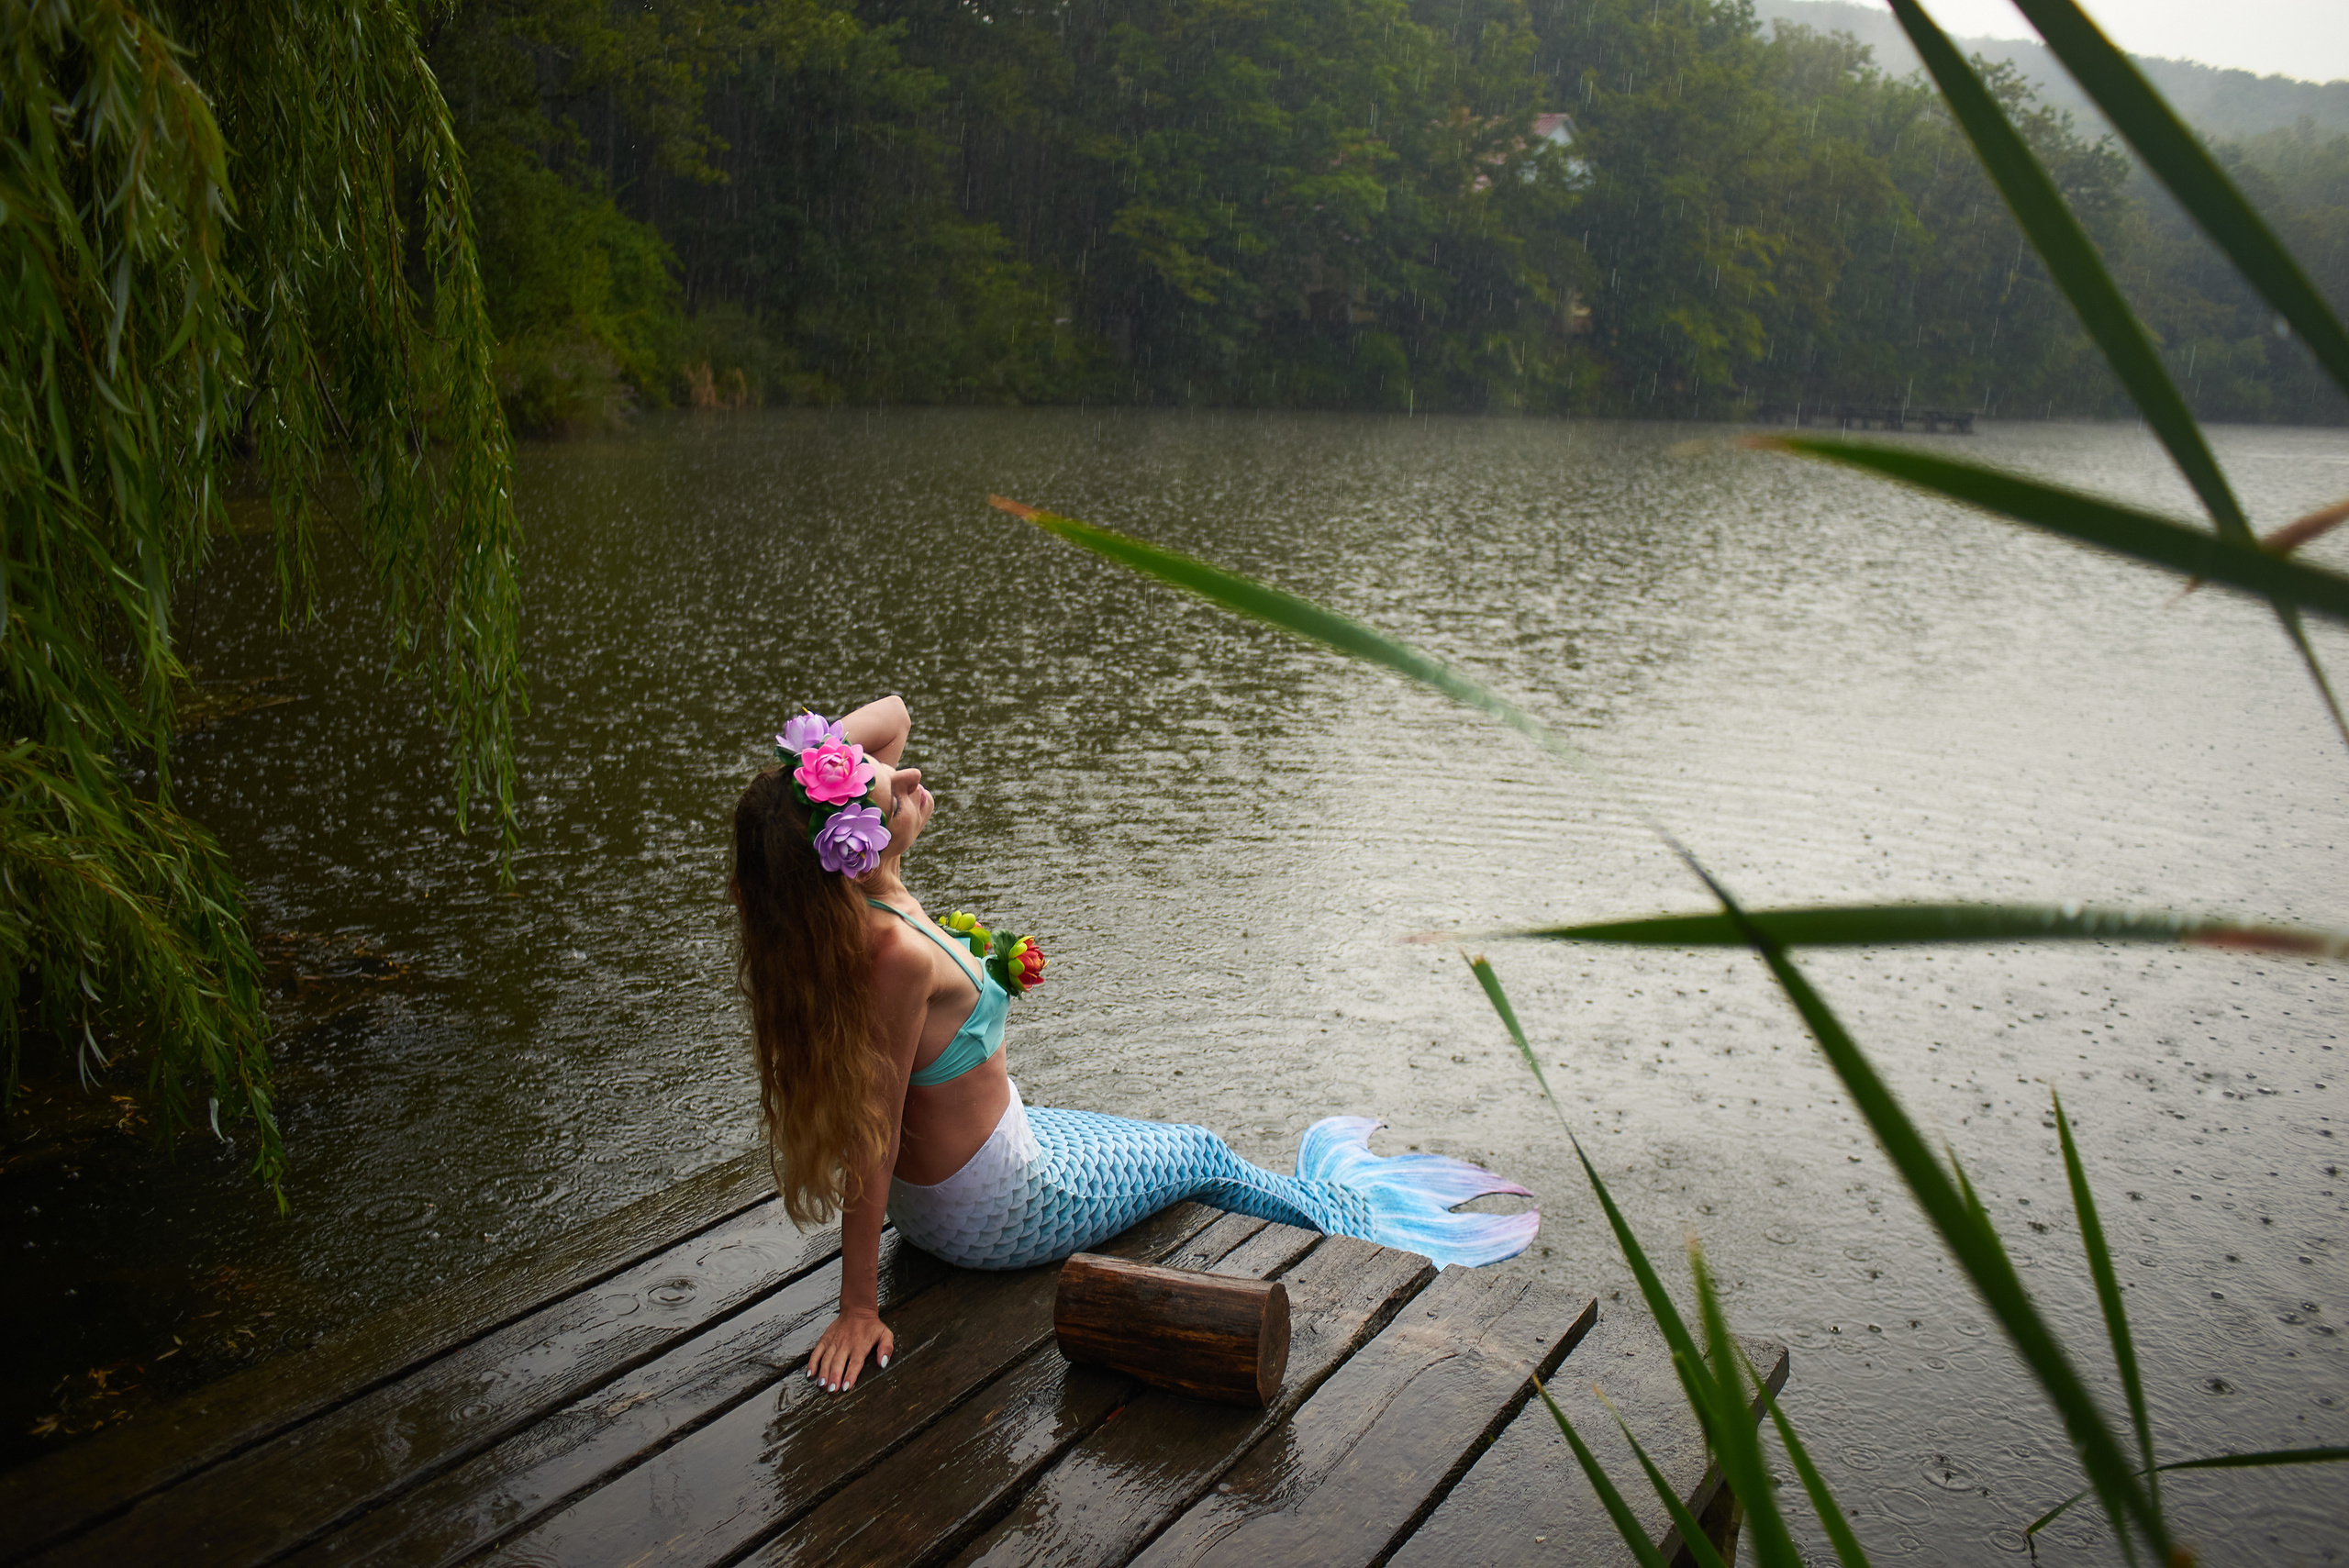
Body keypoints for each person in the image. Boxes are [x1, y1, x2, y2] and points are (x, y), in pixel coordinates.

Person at [730, 695, 1538, 1395]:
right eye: (883, 789)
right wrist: (858, 1306)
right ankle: (1354, 1216)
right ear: (851, 851)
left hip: (967, 1171)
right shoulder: (896, 954)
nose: (904, 775)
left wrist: (822, 769)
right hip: (996, 1212)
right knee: (1201, 1150)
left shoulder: (857, 914)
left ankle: (1312, 1200)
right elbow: (872, 1133)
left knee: (1128, 1133)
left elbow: (896, 713)